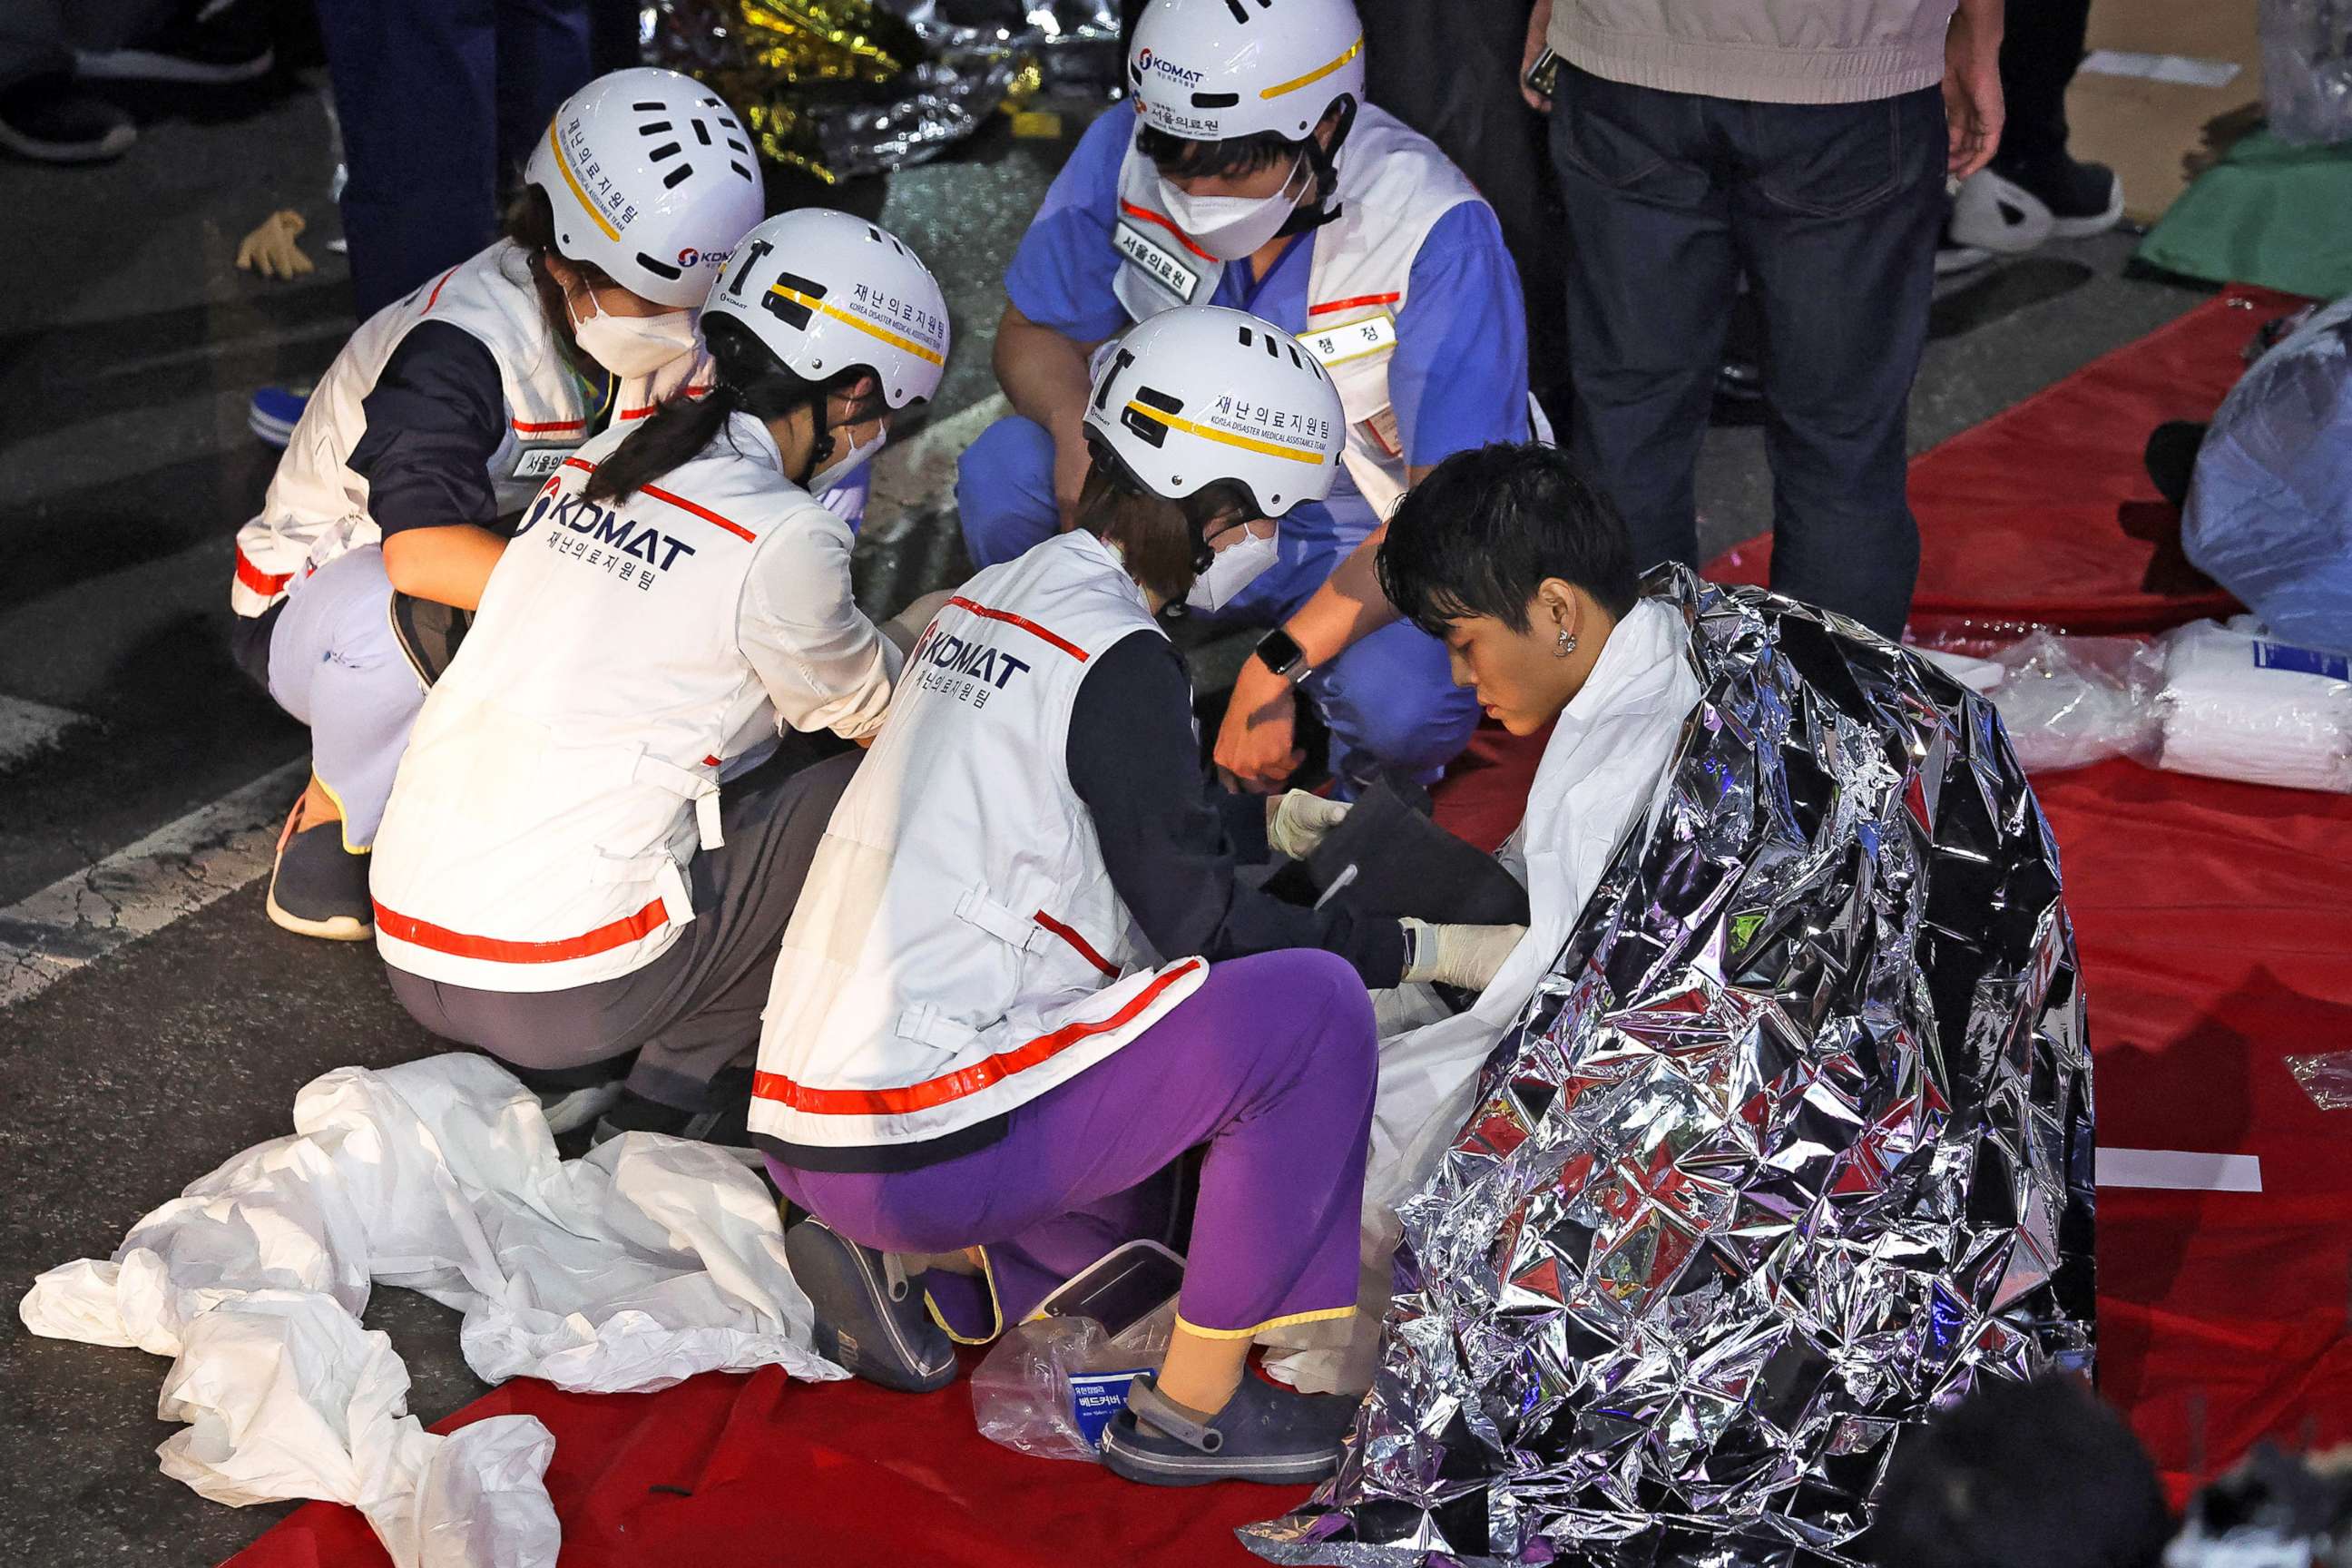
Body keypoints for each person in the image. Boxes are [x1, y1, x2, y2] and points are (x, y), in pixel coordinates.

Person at [753, 307, 1504, 1487]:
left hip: (819, 1113)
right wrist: (1422, 946)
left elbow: (1080, 825)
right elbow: (1199, 925)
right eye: (1262, 517)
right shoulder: (1121, 655)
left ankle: (947, 1278)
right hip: (918, 1131)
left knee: (1146, 1248)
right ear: (1211, 511)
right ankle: (1196, 1413)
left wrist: (1259, 826)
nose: (1264, 543)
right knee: (1306, 1012)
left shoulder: (1002, 597)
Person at [368, 208, 952, 1147]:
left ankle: (605, 1056)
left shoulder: (604, 460)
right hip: (555, 989)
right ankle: (668, 1098)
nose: (877, 435)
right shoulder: (782, 531)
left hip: (411, 944)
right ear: (849, 393)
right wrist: (930, 635)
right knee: (853, 792)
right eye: (887, 412)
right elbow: (876, 717)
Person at [229, 67, 766, 942]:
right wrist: (631, 603)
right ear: (561, 259)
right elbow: (421, 557)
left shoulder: (635, 307)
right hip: (324, 603)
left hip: (506, 552)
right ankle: (335, 805)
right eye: (656, 298)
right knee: (418, 619)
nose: (681, 323)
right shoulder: (462, 348)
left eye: (695, 300)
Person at [959, 0, 1537, 796]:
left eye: (1231, 168)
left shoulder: (1435, 229)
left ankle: (1348, 808)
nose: (1194, 194)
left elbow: (1447, 515)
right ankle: (1057, 685)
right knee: (1004, 472)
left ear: (1326, 127)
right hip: (1160, 483)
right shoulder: (1121, 149)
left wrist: (1276, 667)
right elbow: (1032, 333)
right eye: (1174, 162)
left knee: (1406, 696)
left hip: (1353, 529)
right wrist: (1068, 433)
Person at [1259, 442, 1706, 1395]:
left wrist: (1422, 947)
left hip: (1668, 1089)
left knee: (1355, 1096)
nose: (1462, 682)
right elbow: (1559, 901)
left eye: (1465, 645)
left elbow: (1575, 982)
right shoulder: (1653, 650)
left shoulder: (1632, 736)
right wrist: (1357, 837)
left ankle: (1387, 1332)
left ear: (1554, 609)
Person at [1521, 0, 2006, 640]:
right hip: (1846, 64)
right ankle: (1836, 727)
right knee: (1840, 438)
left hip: (1627, 58)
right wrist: (1978, 38)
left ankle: (1635, 720)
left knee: (1630, 413)